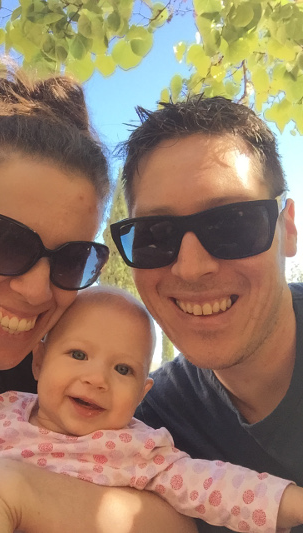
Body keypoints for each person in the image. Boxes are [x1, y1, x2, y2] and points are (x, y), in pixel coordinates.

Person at [0, 57, 196, 533]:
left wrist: (9, 492)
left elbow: (171, 519)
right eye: (3, 240)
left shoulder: (61, 376)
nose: (36, 290)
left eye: (70, 259)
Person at [0, 286, 303, 533]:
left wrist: (293, 504)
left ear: (142, 392)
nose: (97, 379)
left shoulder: (138, 449)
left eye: (123, 369)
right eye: (78, 354)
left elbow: (216, 487)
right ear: (39, 360)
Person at [109, 95, 302, 532]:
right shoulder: (148, 426)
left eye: (231, 223)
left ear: (287, 228)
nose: (192, 268)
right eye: (154, 236)